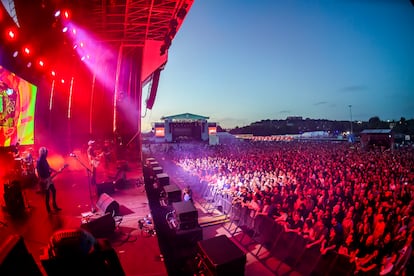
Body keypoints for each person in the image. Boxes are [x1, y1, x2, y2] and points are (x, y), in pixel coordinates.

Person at [36, 147, 61, 213]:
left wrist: (55, 171)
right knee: (47, 194)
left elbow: (48, 167)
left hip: (48, 178)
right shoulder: (39, 161)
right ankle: (48, 209)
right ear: (43, 153)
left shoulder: (44, 160)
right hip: (44, 179)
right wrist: (41, 179)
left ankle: (54, 205)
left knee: (53, 191)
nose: (47, 154)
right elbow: (38, 171)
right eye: (46, 153)